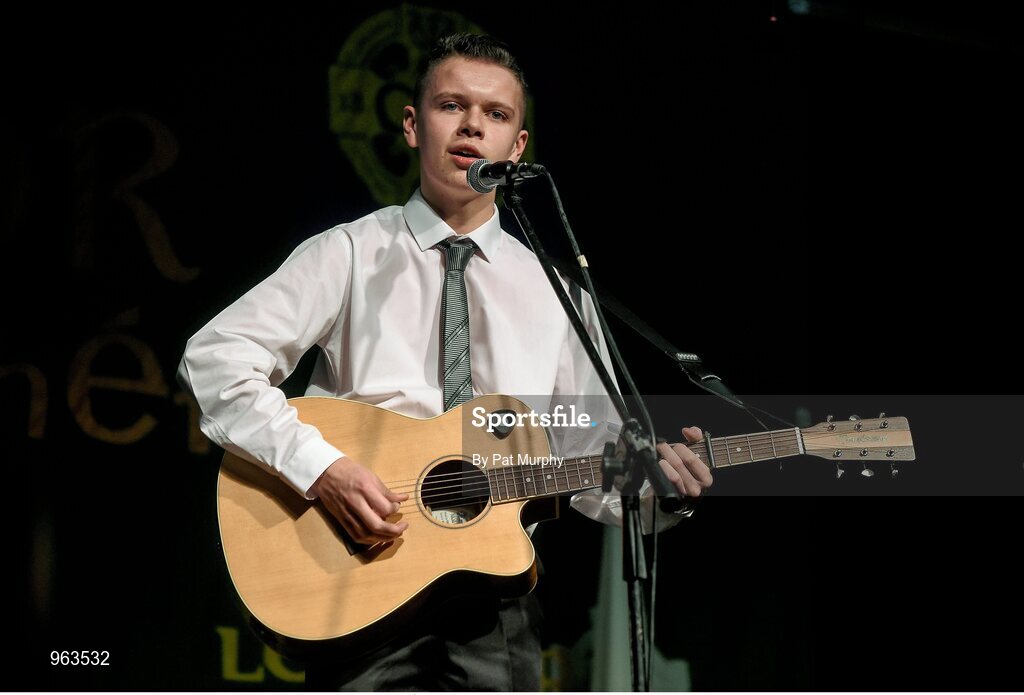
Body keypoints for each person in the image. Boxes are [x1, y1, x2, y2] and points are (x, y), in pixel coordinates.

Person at [178, 33, 712, 690]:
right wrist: (323, 470)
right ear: (412, 125)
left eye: (496, 115)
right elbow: (214, 361)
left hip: (496, 606)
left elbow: (590, 458)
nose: (471, 127)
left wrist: (660, 493)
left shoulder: (559, 292)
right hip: (360, 575)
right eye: (450, 106)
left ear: (518, 147)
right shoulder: (349, 253)